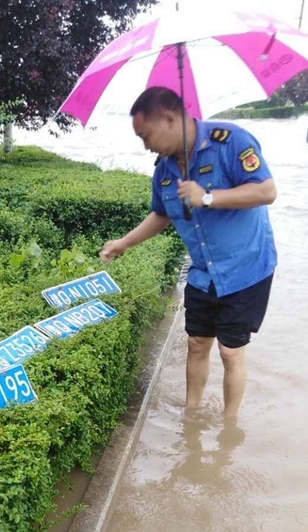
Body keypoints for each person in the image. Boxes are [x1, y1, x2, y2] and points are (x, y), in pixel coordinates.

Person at [100, 87, 277, 419]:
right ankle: (191, 416)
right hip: (202, 271)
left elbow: (267, 191)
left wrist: (207, 196)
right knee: (196, 344)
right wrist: (123, 243)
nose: (145, 144)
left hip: (246, 266)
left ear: (169, 118)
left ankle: (229, 424)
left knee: (230, 351)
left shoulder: (231, 141)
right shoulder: (164, 170)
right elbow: (161, 214)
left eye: (146, 134)